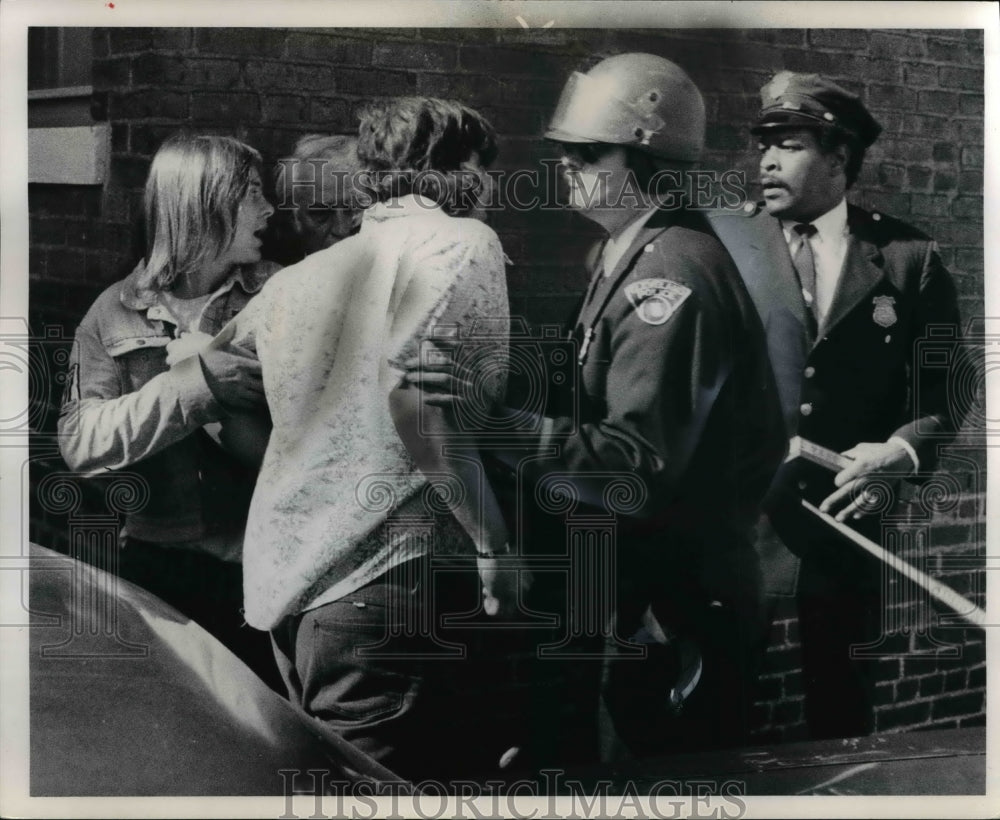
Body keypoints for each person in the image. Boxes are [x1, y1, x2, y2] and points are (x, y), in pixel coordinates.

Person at [409, 54, 786, 763]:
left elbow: (634, 464)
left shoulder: (668, 275)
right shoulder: (631, 253)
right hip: (641, 600)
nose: (566, 167)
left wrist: (486, 422)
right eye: (562, 153)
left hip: (672, 615)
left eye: (586, 153)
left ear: (650, 156)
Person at [204, 98, 526, 781]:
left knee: (322, 783)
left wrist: (318, 470)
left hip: (290, 589)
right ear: (460, 169)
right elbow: (421, 402)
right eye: (484, 167)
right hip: (384, 582)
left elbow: (214, 383)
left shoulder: (304, 275)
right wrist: (494, 546)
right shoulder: (461, 242)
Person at [708, 71, 964, 740]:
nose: (765, 159)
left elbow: (947, 391)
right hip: (734, 525)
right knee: (716, 704)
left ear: (839, 157)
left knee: (841, 712)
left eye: (788, 144)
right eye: (763, 143)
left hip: (845, 520)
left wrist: (901, 453)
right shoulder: (716, 245)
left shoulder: (909, 260)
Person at [57, 135, 283, 688]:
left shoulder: (280, 294)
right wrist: (195, 387)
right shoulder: (115, 310)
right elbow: (80, 441)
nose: (270, 210)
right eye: (252, 194)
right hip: (157, 570)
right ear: (204, 204)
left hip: (261, 566)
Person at [271, 133, 365, 262]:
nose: (342, 230)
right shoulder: (278, 280)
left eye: (355, 210)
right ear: (293, 217)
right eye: (321, 213)